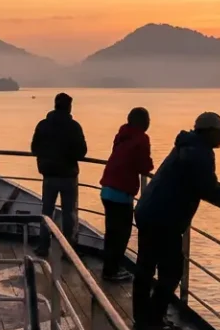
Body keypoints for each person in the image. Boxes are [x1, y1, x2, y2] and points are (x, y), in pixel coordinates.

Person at [133, 112, 220, 330]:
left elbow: (198, 182)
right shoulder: (200, 153)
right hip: (165, 218)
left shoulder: (186, 146)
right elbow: (208, 189)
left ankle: (143, 318)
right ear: (208, 132)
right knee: (173, 270)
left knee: (146, 267)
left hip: (149, 210)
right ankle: (153, 319)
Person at [98, 107, 153, 282]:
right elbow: (145, 166)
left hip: (107, 188)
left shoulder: (122, 134)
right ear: (142, 122)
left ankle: (109, 267)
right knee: (121, 235)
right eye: (147, 119)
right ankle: (111, 271)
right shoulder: (141, 139)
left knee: (111, 233)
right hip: (121, 192)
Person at [30, 92, 87, 256]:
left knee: (46, 211)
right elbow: (82, 151)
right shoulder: (74, 127)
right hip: (68, 175)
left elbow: (35, 148)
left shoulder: (43, 125)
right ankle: (68, 250)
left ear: (55, 105)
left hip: (49, 175)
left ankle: (43, 246)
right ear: (69, 107)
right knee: (69, 213)